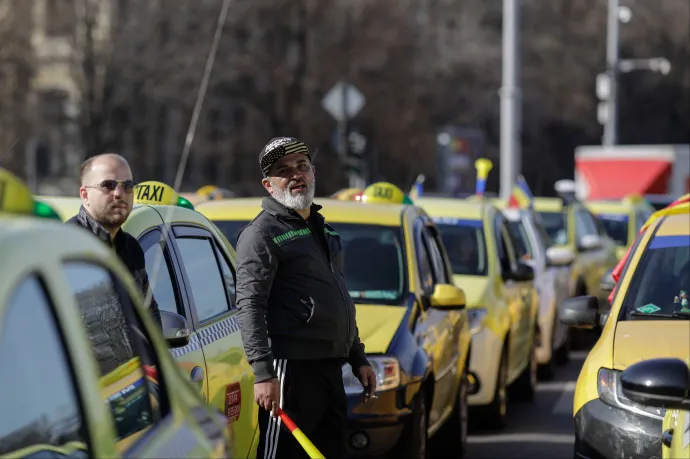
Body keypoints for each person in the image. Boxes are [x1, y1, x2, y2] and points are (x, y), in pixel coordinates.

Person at [235, 137, 377, 459]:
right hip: (289, 370)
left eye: (302, 166)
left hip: (330, 369)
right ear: (269, 185)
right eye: (284, 171)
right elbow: (250, 305)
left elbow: (339, 299)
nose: (296, 175)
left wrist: (358, 357)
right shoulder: (261, 235)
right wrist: (264, 373)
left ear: (313, 172)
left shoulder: (324, 231)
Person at [68, 153, 162, 328]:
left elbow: (150, 318)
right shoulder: (65, 247)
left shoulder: (132, 248)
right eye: (108, 185)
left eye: (127, 186)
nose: (119, 194)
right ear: (85, 195)